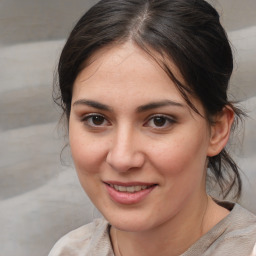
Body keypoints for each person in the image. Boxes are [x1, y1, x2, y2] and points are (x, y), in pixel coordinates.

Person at [49, 0, 256, 255]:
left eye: (159, 121)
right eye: (97, 119)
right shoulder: (67, 251)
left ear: (217, 129)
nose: (122, 159)